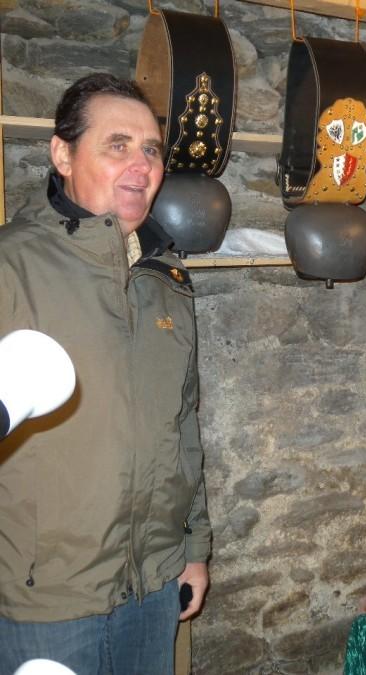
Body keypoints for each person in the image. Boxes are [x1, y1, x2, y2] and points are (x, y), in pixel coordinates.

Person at [0, 74, 210, 674]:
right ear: (63, 154)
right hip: (44, 600)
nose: (142, 166)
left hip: (152, 588)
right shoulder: (9, 266)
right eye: (118, 145)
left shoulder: (166, 279)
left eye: (151, 150)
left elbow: (183, 429)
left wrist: (192, 549)